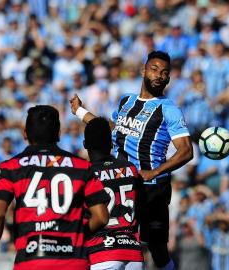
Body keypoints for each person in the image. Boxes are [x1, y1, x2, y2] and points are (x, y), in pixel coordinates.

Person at [70, 50, 193, 270]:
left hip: (151, 187)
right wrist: (80, 112)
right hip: (121, 183)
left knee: (157, 248)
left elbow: (186, 151)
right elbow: (111, 130)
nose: (159, 76)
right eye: (154, 69)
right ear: (144, 70)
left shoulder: (169, 109)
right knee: (108, 238)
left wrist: (154, 172)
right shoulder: (127, 101)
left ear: (168, 78)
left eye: (164, 73)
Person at [0, 105, 109, 270]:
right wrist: (74, 233)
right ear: (58, 134)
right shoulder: (82, 166)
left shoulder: (10, 167)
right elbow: (101, 217)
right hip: (73, 262)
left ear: (25, 134)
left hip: (31, 262)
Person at [83, 117, 144, 270]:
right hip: (133, 255)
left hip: (101, 253)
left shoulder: (84, 174)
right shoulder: (131, 169)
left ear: (85, 145)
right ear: (111, 144)